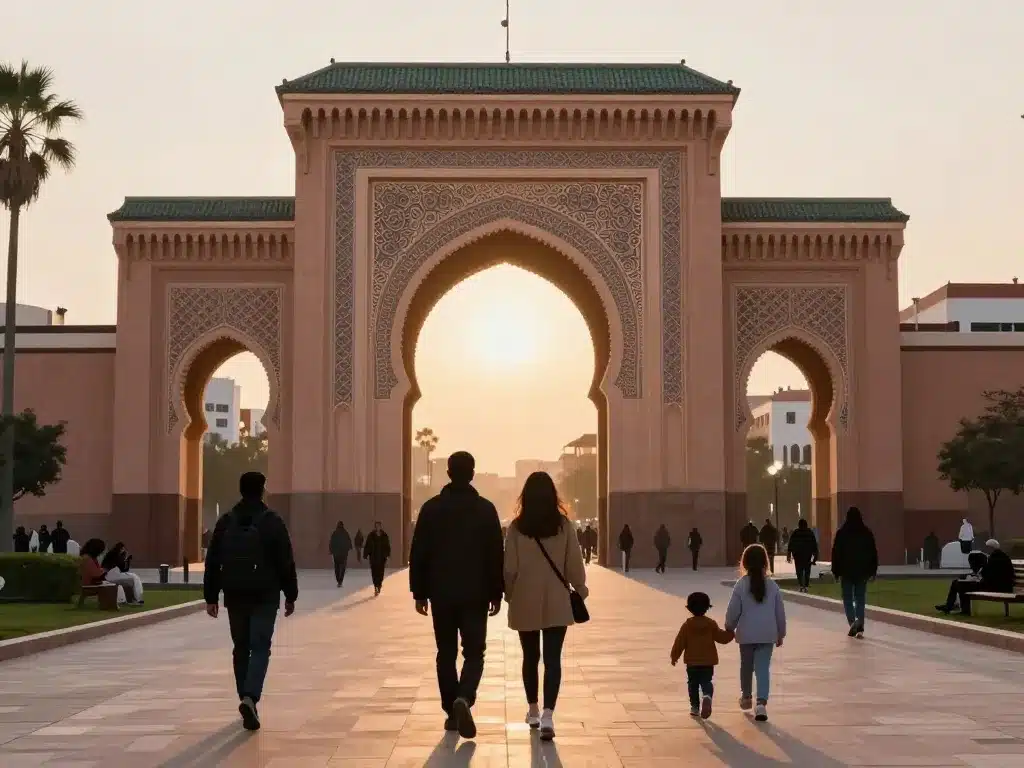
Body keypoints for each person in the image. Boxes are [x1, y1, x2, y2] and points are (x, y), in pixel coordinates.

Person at [409, 451, 504, 740]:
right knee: (474, 652)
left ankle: (452, 711)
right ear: (472, 473)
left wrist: (419, 592)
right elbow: (495, 555)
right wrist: (496, 591)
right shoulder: (485, 510)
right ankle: (464, 697)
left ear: (448, 474)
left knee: (446, 652)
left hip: (442, 593)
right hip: (475, 595)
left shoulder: (431, 509)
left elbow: (419, 552)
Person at [203, 471, 298, 732]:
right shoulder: (272, 521)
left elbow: (213, 560)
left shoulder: (226, 522)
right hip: (265, 595)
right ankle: (250, 697)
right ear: (263, 490)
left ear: (241, 490)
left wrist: (211, 596)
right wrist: (291, 594)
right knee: (259, 646)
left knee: (241, 647)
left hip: (235, 594)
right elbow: (285, 560)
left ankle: (244, 696)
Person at [504, 471, 588, 742]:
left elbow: (510, 568)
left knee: (530, 657)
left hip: (525, 599)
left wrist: (509, 594)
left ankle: (532, 710)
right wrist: (581, 590)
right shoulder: (564, 526)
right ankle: (549, 714)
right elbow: (574, 564)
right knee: (553, 660)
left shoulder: (517, 528)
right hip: (557, 600)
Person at [724, 544, 786, 723]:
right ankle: (761, 703)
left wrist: (729, 626)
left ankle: (746, 697)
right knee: (762, 668)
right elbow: (779, 613)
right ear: (765, 562)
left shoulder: (741, 585)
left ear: (744, 562)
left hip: (746, 635)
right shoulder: (773, 586)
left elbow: (733, 610)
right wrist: (780, 633)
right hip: (767, 635)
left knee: (746, 666)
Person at [670, 591, 734, 719]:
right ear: (707, 608)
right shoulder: (710, 624)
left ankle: (694, 707)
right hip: (708, 661)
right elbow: (721, 638)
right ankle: (707, 696)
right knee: (706, 681)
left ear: (689, 608)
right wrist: (731, 633)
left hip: (692, 662)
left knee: (692, 684)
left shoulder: (687, 625)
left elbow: (679, 642)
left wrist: (674, 656)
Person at [830, 506, 878, 639]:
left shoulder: (842, 533)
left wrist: (836, 571)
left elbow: (836, 553)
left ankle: (852, 621)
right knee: (860, 598)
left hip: (847, 572)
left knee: (847, 598)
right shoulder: (866, 533)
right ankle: (860, 625)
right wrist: (873, 570)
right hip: (862, 571)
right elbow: (873, 552)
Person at [936, 539, 1015, 616]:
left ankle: (961, 609)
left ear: (991, 548)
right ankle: (951, 606)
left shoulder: (994, 559)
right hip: (999, 586)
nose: (985, 550)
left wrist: (977, 577)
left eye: (986, 548)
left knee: (960, 584)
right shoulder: (1002, 557)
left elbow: (988, 575)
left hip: (995, 587)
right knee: (958, 583)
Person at [786, 519, 819, 592]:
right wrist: (815, 557)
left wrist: (789, 554)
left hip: (797, 555)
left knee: (799, 570)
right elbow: (814, 545)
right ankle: (806, 585)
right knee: (807, 570)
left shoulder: (795, 533)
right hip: (807, 554)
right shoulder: (810, 533)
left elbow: (790, 544)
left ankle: (801, 585)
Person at [363, 522, 391, 595]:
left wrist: (387, 554)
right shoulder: (371, 535)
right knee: (374, 573)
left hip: (382, 558)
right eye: (376, 526)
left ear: (381, 527)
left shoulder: (384, 535)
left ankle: (379, 585)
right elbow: (367, 545)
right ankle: (376, 586)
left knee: (381, 573)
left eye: (379, 526)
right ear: (375, 527)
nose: (378, 527)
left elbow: (387, 546)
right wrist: (365, 554)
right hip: (373, 558)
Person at [329, 521, 352, 587]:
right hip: (344, 554)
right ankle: (340, 580)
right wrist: (349, 548)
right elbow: (348, 541)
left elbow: (331, 542)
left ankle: (338, 580)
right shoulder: (345, 533)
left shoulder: (335, 533)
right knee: (342, 567)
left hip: (336, 554)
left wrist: (331, 550)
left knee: (337, 567)